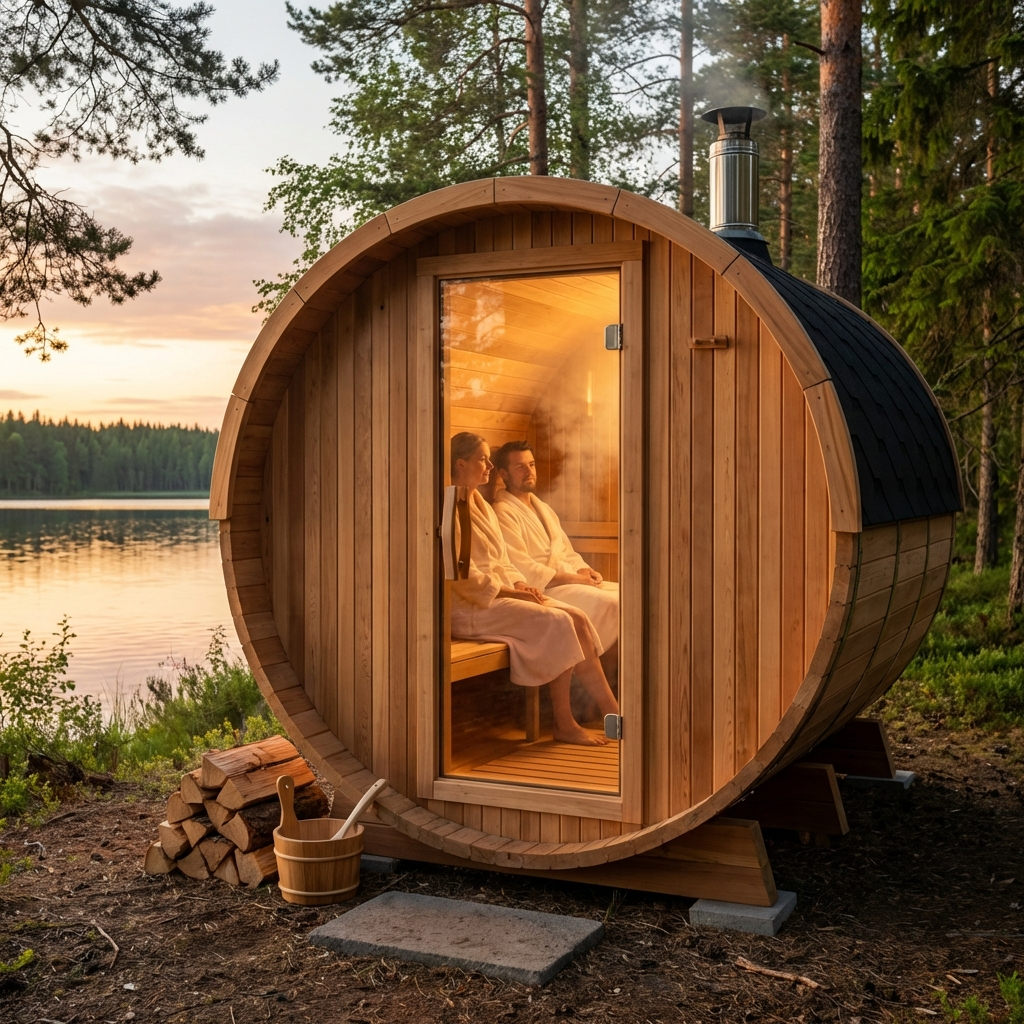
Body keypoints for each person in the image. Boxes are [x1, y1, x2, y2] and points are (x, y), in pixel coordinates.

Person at [447, 431, 618, 746]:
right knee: (559, 621)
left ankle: (613, 714)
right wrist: (511, 592)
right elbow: (462, 577)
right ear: (461, 463)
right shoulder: (450, 509)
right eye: (482, 459)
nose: (488, 466)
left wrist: (520, 584)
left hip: (498, 596)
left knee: (577, 617)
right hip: (471, 607)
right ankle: (564, 723)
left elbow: (503, 561)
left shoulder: (478, 504)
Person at [491, 440, 619, 657]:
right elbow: (523, 566)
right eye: (520, 467)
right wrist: (577, 579)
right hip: (543, 589)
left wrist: (583, 570)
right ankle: (587, 665)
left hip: (566, 580)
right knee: (610, 602)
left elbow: (567, 551)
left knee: (628, 595)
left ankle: (605, 669)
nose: (529, 471)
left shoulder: (544, 509)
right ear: (503, 473)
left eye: (531, 465)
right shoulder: (502, 511)